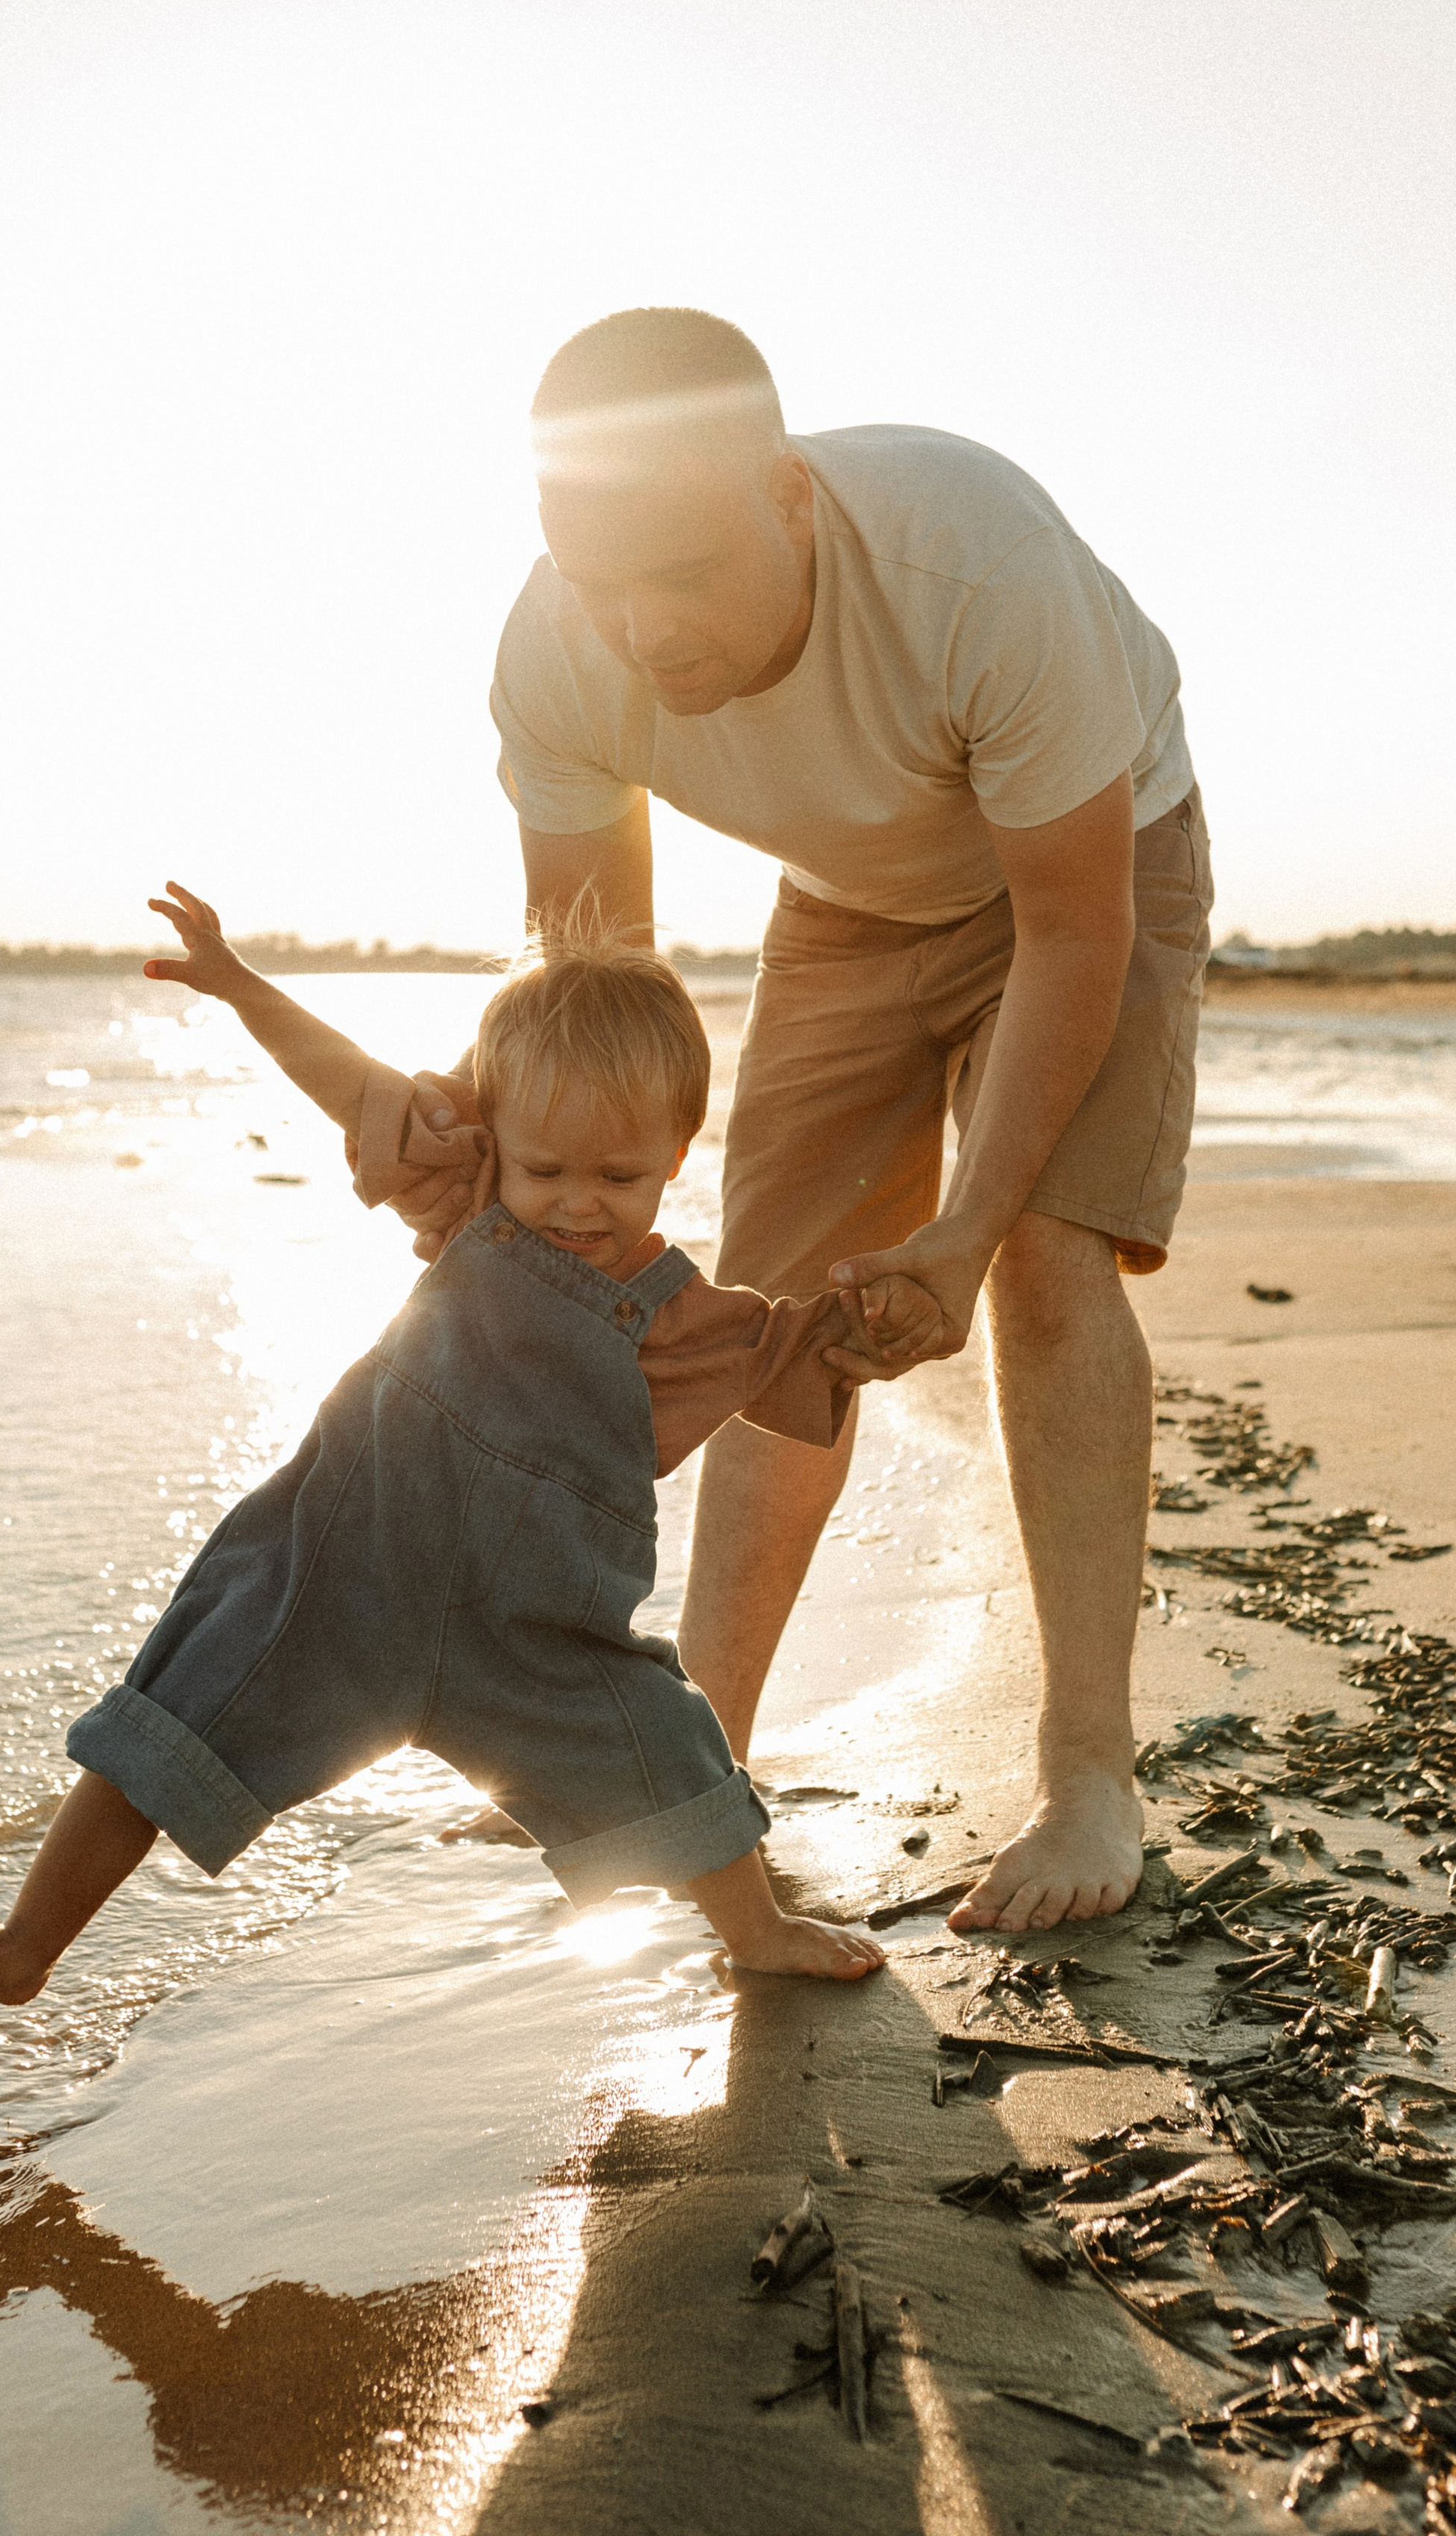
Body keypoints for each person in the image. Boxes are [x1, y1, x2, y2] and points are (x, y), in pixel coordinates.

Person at [436, 307, 1212, 1938]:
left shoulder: (971, 563)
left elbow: (1070, 937)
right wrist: (513, 1176)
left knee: (1049, 1262)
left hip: (1086, 865)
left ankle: (1085, 1771)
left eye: (679, 575)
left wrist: (961, 1227)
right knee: (772, 1323)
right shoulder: (555, 650)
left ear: (788, 503)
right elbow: (597, 988)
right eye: (599, 583)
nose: (640, 633)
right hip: (849, 905)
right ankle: (694, 1757)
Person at [0, 893, 944, 2007]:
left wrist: (892, 1320)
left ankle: (756, 1928)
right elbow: (351, 1084)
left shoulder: (689, 1326)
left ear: (676, 1156)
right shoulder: (462, 1196)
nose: (577, 1205)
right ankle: (23, 1946)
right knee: (168, 1721)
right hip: (337, 1584)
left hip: (539, 1633)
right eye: (546, 1171)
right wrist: (243, 986)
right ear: (494, 1141)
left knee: (673, 1744)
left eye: (619, 1178)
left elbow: (822, 1351)